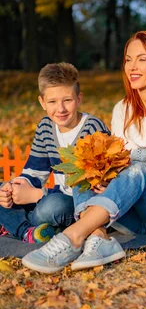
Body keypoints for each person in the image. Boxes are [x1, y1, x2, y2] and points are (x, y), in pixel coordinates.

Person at [22, 31, 146, 273]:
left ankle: (72, 236)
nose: (132, 67)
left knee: (138, 171)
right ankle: (99, 239)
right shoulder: (123, 109)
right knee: (86, 171)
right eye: (128, 59)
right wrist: (104, 180)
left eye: (142, 59)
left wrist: (121, 181)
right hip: (129, 215)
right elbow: (116, 163)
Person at [0, 63, 109, 243]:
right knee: (4, 188)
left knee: (51, 207)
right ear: (42, 102)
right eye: (52, 102)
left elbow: (90, 187)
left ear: (79, 98)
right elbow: (35, 171)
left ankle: (16, 226)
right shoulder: (46, 127)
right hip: (49, 195)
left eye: (67, 100)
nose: (61, 109)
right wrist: (18, 186)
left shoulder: (93, 129)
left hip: (78, 205)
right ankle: (33, 230)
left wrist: (37, 195)